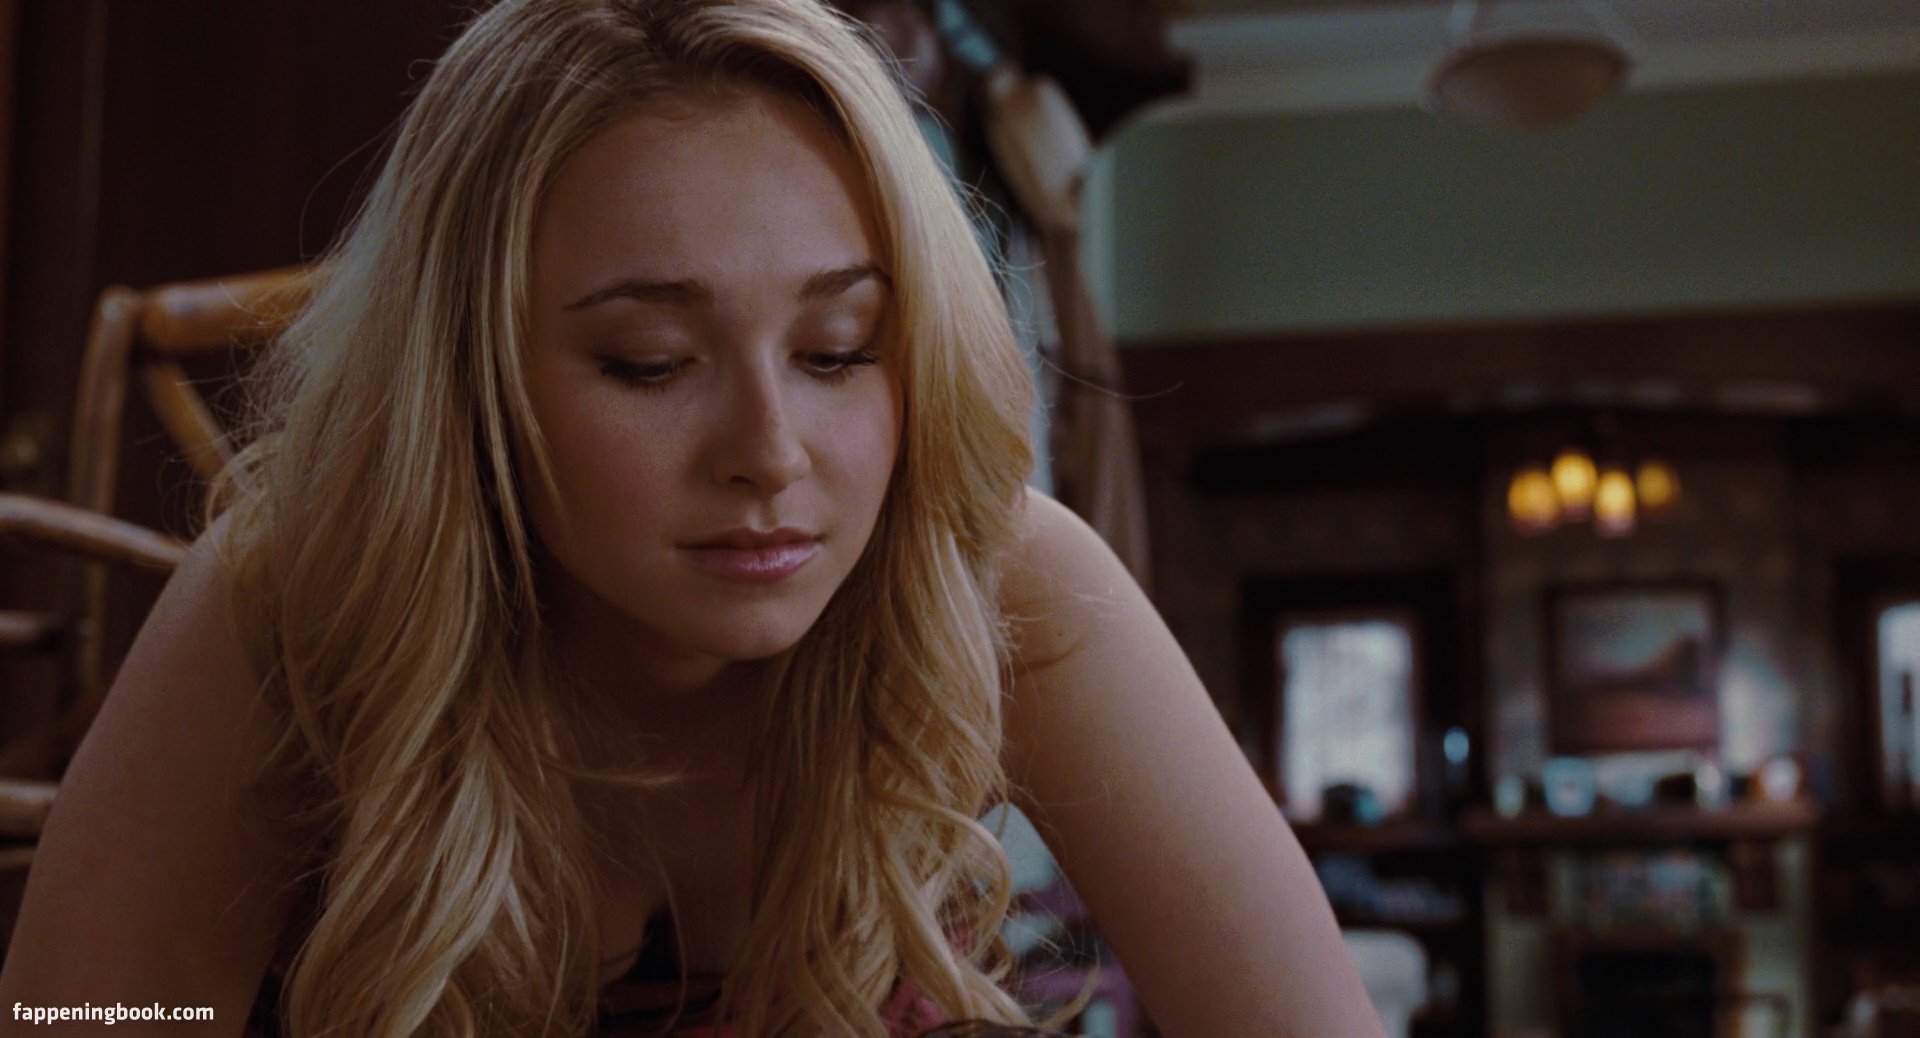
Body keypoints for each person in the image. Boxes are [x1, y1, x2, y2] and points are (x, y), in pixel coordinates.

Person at [0, 1, 1384, 1036]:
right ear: (471, 382)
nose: (770, 455)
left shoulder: (1000, 573)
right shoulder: (292, 594)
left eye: (839, 349)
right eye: (650, 363)